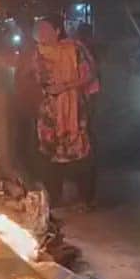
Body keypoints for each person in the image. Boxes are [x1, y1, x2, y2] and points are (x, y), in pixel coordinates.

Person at [29, 18, 97, 210]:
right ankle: (54, 197)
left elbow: (89, 74)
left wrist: (65, 86)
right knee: (49, 152)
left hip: (74, 107)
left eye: (46, 29)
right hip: (49, 110)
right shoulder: (37, 54)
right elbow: (35, 78)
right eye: (38, 30)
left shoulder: (74, 49)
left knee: (80, 151)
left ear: (57, 31)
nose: (41, 33)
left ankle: (85, 198)